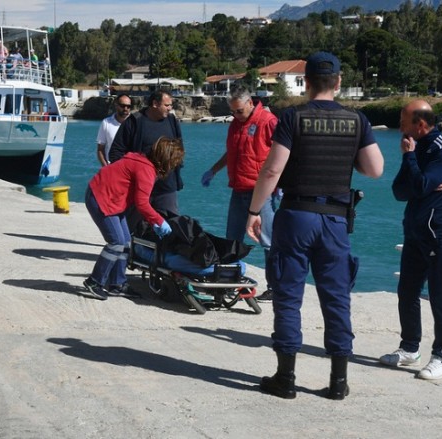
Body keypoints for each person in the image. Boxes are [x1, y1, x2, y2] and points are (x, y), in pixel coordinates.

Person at [245, 52, 384, 400]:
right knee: (336, 298)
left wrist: (254, 210)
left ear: (306, 83)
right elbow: (375, 169)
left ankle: (286, 378)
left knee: (289, 296)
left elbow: (273, 171)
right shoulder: (357, 120)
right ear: (338, 82)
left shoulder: (293, 117)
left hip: (296, 216)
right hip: (335, 220)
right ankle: (338, 381)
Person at [379, 99, 442, 380]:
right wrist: (420, 183)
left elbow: (419, 185)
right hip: (415, 231)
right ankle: (409, 348)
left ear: (421, 124)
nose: (400, 126)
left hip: (439, 234)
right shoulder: (415, 147)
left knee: (440, 296)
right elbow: (398, 191)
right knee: (407, 291)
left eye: (404, 121)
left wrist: (413, 167)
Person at [201, 86, 279, 302]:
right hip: (239, 188)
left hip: (262, 191)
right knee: (232, 238)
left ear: (250, 104)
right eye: (233, 112)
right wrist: (214, 170)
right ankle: (227, 281)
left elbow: (283, 154)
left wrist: (280, 184)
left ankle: (275, 286)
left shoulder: (268, 122)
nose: (236, 115)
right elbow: (232, 152)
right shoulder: (236, 124)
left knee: (267, 239)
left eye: (239, 111)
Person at [83, 137, 184, 300]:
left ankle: (117, 283)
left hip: (112, 198)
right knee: (116, 242)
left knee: (126, 243)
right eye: (175, 162)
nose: (175, 166)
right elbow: (142, 203)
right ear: (167, 160)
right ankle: (95, 281)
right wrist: (159, 221)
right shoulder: (146, 170)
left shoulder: (143, 162)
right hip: (101, 197)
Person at [109, 90, 183, 217]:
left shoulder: (172, 121)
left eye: (171, 105)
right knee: (134, 229)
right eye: (167, 105)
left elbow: (179, 148)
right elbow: (115, 153)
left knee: (171, 227)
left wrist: (177, 164)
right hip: (139, 189)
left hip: (166, 188)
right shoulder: (134, 121)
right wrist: (131, 174)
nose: (170, 109)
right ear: (155, 104)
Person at [96, 94, 132, 167]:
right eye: (122, 106)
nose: (125, 108)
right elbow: (100, 149)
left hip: (130, 169)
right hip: (112, 168)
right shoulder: (106, 123)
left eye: (128, 106)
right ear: (116, 105)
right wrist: (106, 168)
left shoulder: (135, 123)